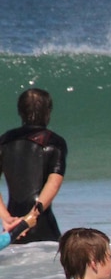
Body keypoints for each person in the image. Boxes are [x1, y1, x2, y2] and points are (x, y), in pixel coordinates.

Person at [0, 88, 66, 243]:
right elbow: (54, 182)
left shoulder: (4, 141)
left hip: (13, 226)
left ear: (20, 111)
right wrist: (33, 215)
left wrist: (7, 218)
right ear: (48, 111)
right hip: (42, 225)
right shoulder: (54, 142)